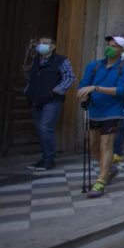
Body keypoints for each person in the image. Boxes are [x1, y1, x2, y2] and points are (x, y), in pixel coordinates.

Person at [77, 36, 124, 197]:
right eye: (109, 45)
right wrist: (82, 93)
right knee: (92, 146)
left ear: (122, 50)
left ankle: (100, 182)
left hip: (113, 111)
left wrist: (96, 88)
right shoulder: (94, 66)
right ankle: (110, 168)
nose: (110, 48)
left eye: (115, 46)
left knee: (106, 145)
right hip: (94, 110)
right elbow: (83, 84)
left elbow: (121, 91)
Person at [24, 36, 76, 171]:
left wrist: (56, 90)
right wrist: (27, 90)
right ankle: (43, 158)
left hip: (52, 100)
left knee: (46, 127)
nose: (40, 45)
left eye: (44, 43)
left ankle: (48, 160)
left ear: (52, 46)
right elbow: (31, 76)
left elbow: (69, 77)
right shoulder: (36, 60)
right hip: (35, 98)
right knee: (40, 129)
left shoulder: (61, 60)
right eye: (39, 43)